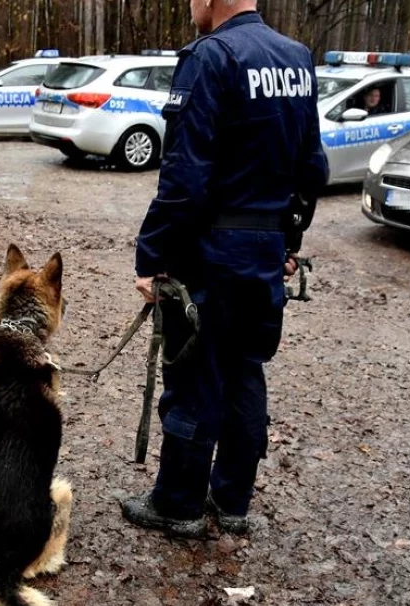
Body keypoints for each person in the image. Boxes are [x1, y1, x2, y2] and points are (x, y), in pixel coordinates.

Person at [121, 0, 329, 538]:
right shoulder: (297, 57)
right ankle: (232, 499)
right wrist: (287, 241)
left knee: (194, 375)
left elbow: (185, 178)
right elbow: (312, 168)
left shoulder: (210, 56)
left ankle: (179, 504)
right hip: (262, 252)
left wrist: (153, 258)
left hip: (211, 252)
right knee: (243, 372)